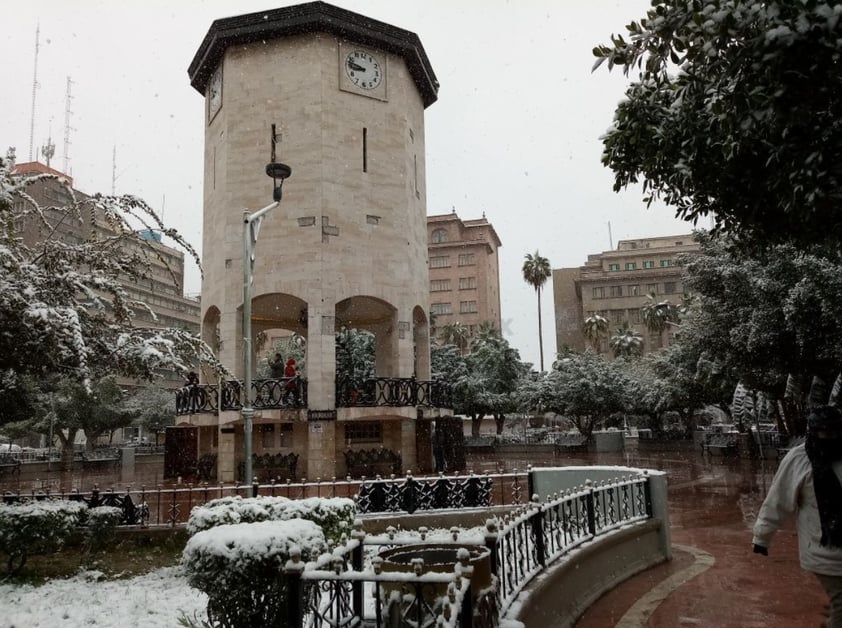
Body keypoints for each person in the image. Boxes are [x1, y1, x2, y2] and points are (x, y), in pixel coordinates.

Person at [752, 405, 842, 627]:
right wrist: (762, 538)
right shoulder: (798, 460)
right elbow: (777, 501)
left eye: (834, 433)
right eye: (824, 433)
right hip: (823, 554)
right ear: (813, 432)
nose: (829, 438)